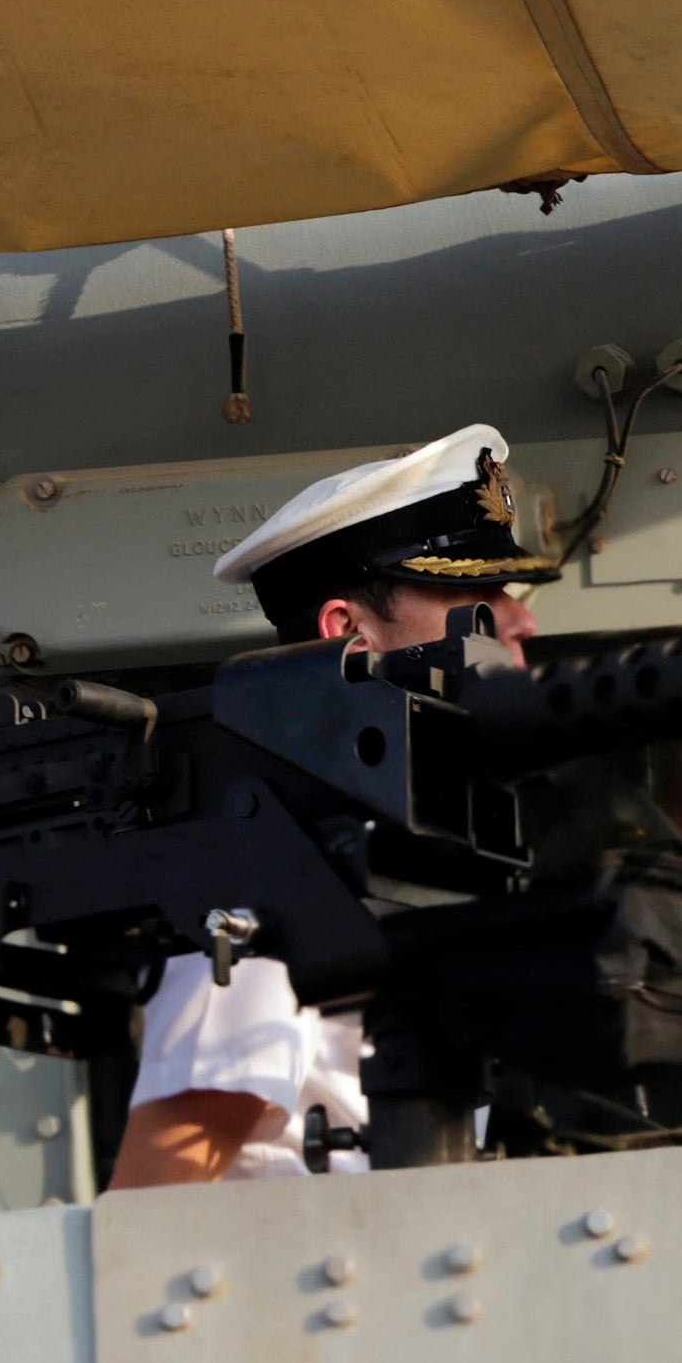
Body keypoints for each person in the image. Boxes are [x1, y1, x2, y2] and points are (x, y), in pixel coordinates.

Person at [106, 423, 558, 1187]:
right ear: (347, 634)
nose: (519, 620)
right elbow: (154, 1201)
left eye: (507, 592)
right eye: (474, 595)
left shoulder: (406, 858)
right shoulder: (271, 872)